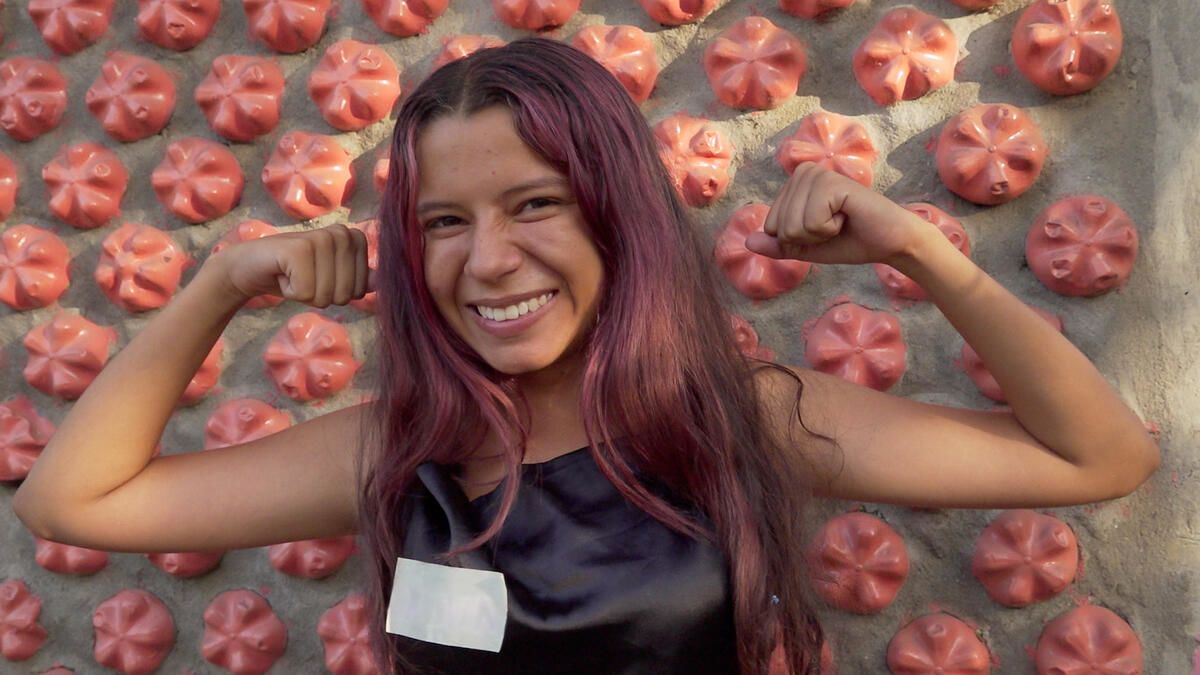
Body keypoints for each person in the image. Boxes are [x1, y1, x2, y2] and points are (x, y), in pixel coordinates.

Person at [11, 38, 1159, 675]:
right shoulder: (400, 449)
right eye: (446, 223)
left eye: (535, 205)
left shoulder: (741, 418)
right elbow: (74, 501)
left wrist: (924, 249)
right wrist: (215, 285)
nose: (490, 261)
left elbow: (1098, 459)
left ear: (618, 212)